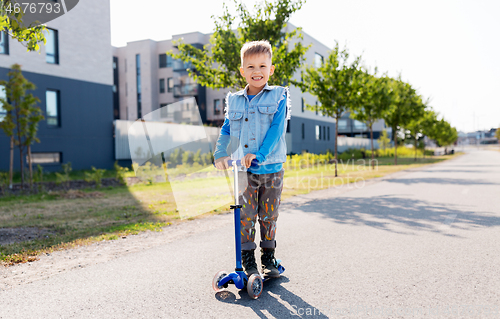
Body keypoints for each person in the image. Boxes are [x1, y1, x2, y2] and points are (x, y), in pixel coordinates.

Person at [214, 40, 291, 278]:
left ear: (271, 69)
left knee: (268, 214)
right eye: (250, 67)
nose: (256, 71)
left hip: (270, 168)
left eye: (262, 66)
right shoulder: (234, 100)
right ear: (242, 71)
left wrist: (259, 155)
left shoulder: (279, 96)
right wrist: (220, 152)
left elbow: (277, 130)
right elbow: (227, 129)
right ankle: (248, 261)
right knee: (245, 215)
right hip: (242, 171)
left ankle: (268, 258)